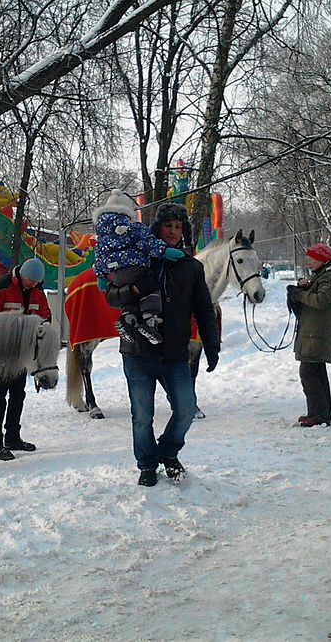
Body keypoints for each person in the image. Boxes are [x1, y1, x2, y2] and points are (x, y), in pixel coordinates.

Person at [104, 201, 219, 487]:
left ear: (184, 231)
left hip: (175, 354)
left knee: (186, 409)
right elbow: (111, 297)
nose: (172, 231)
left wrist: (212, 345)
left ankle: (168, 453)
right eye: (168, 225)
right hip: (138, 352)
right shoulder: (139, 258)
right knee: (142, 416)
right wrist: (133, 289)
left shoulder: (191, 267)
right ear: (157, 227)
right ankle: (146, 465)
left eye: (178, 227)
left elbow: (204, 309)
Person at [0, 257, 51, 460]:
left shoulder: (38, 292)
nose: (34, 285)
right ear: (21, 274)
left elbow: (46, 316)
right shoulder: (0, 288)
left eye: (37, 282)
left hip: (22, 354)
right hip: (0, 351)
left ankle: (13, 437)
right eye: (31, 281)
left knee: (18, 394)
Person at [92, 190, 184, 345]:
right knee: (150, 288)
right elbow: (148, 242)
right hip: (135, 267)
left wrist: (100, 275)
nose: (172, 230)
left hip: (115, 274)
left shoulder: (102, 235)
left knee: (131, 298)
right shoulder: (133, 227)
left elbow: (99, 255)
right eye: (168, 225)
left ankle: (128, 319)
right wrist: (164, 251)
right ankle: (150, 319)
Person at [286, 243, 331, 427]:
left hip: (318, 334)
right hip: (313, 332)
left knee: (309, 373)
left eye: (311, 259)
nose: (308, 262)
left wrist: (298, 295)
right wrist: (305, 288)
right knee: (317, 373)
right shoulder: (323, 276)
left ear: (322, 259)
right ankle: (320, 413)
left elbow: (321, 300)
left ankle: (318, 415)